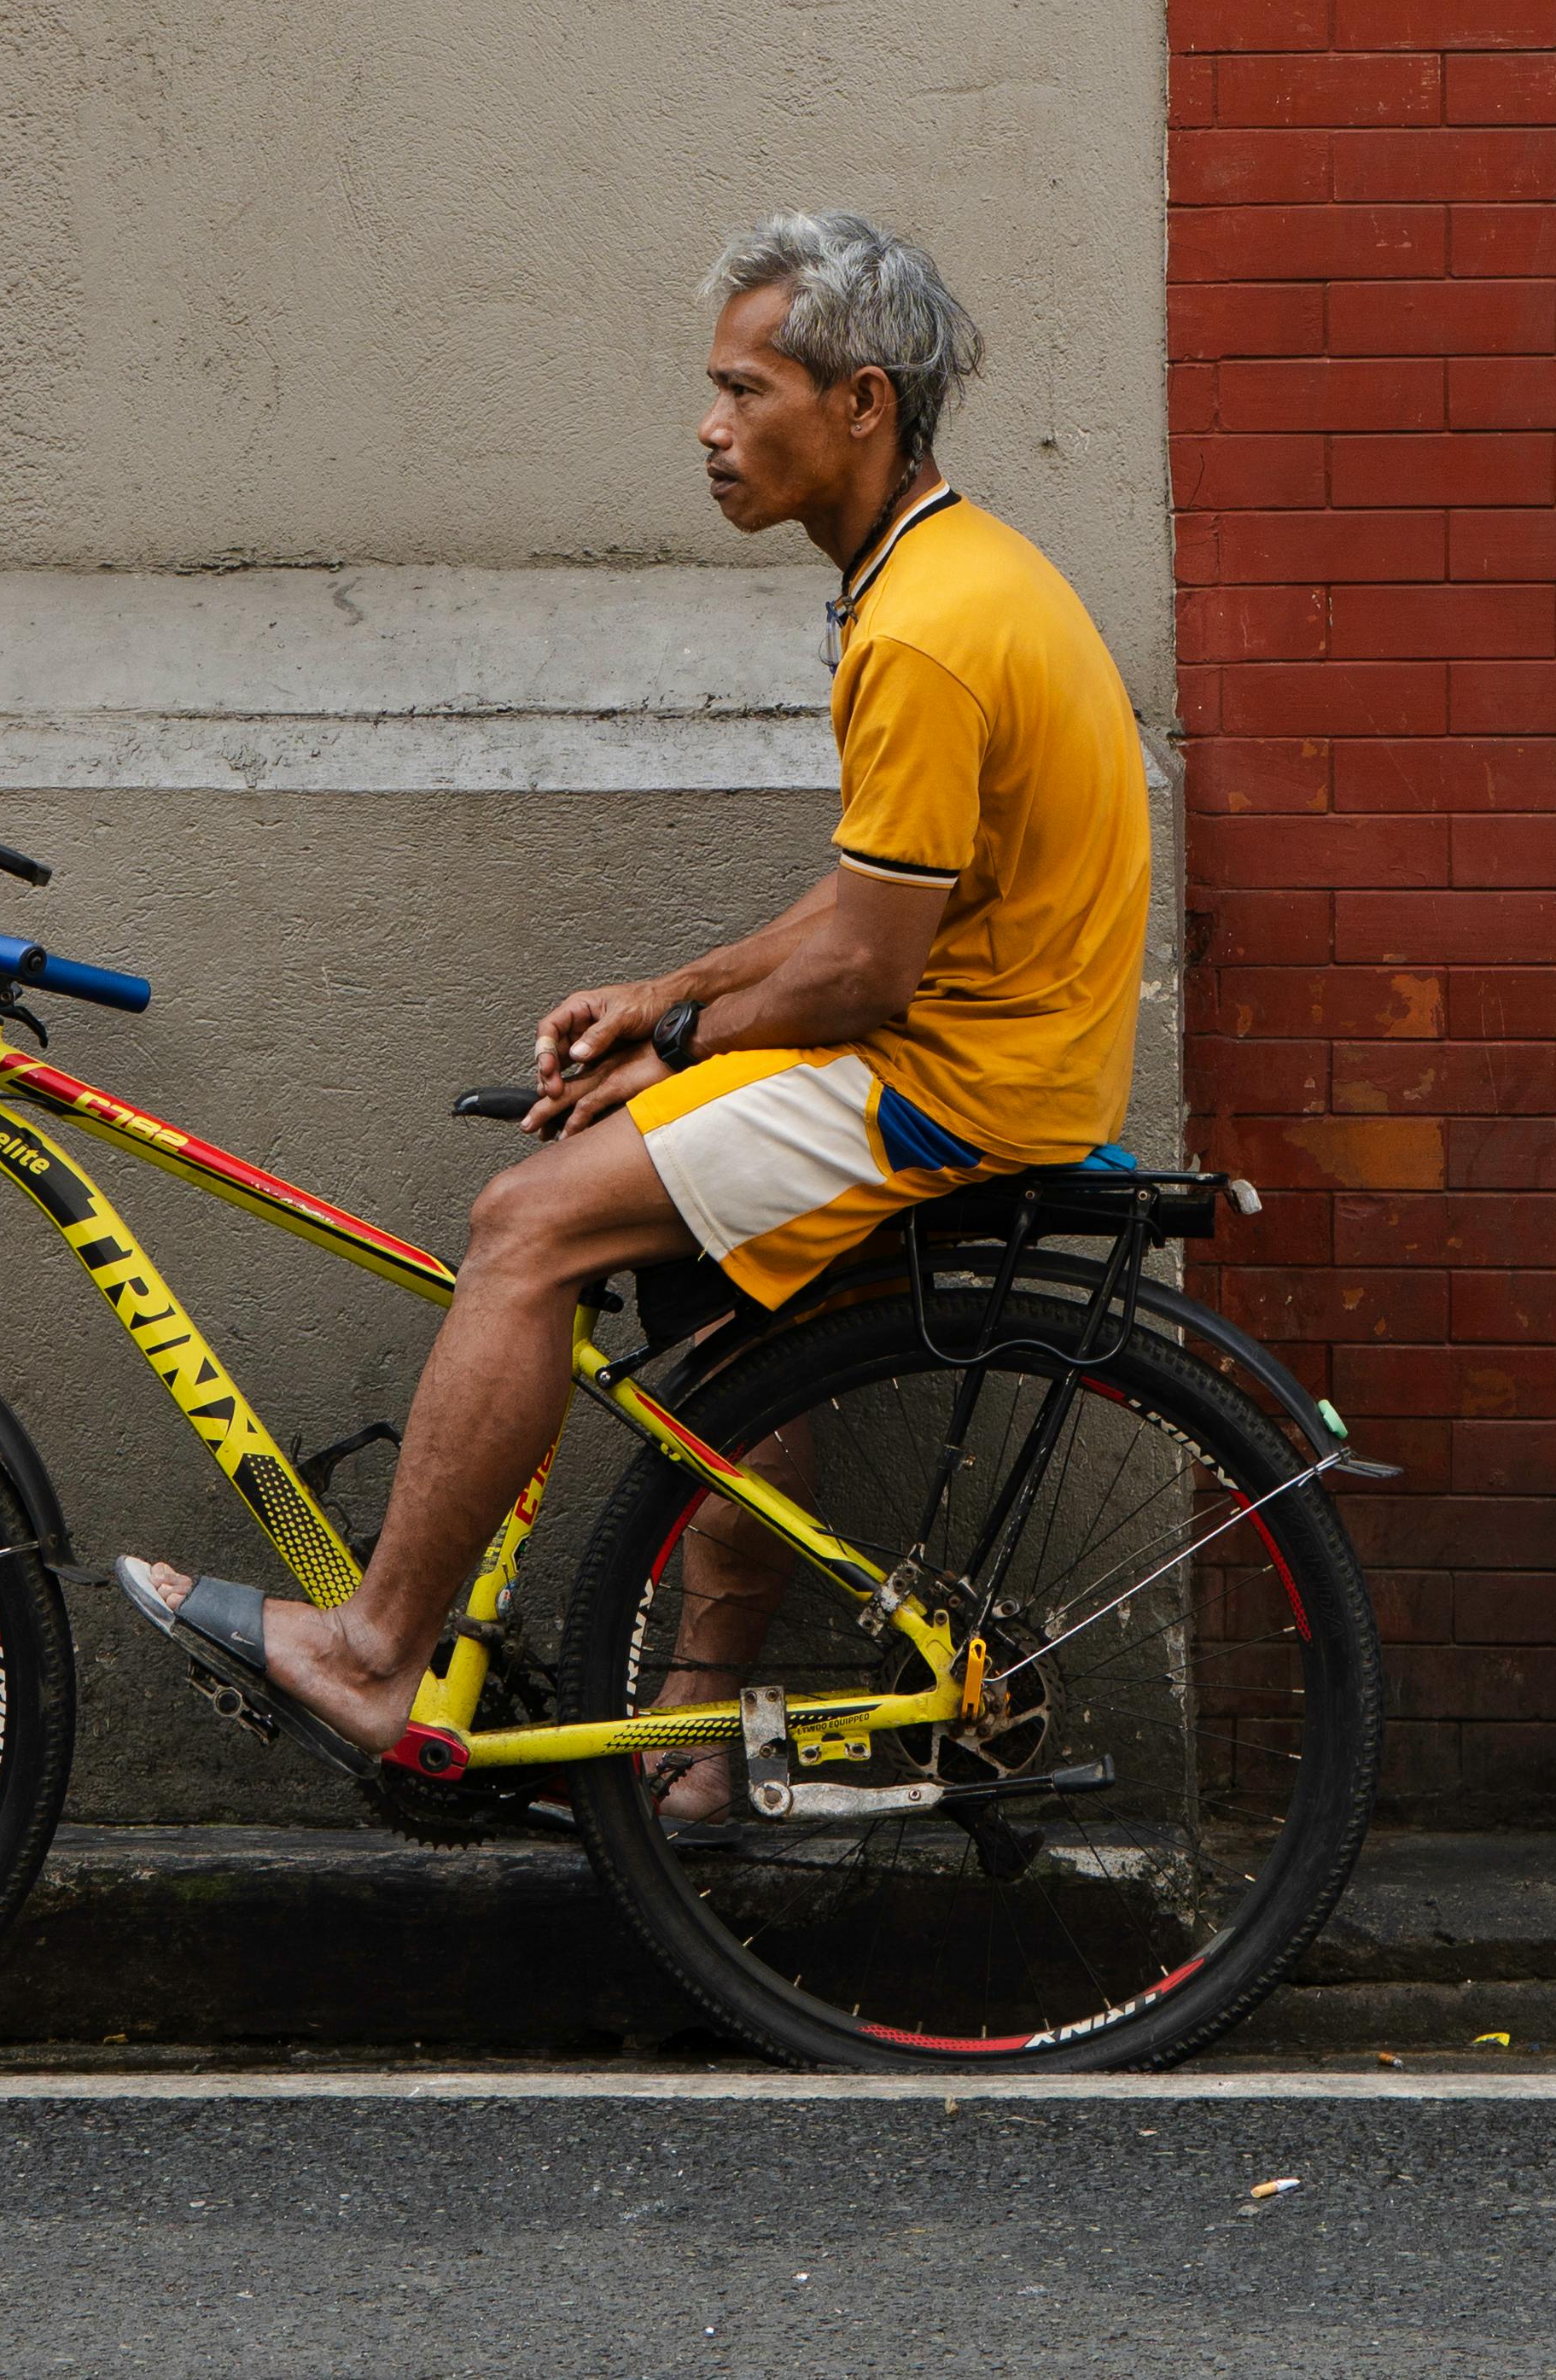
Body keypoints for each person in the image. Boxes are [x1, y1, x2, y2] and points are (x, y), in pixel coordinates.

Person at [119, 207, 1151, 1772]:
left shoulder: (927, 632)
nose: (709, 428)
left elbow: (868, 967)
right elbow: (884, 893)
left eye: (745, 391)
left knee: (526, 1225)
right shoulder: (954, 573)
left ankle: (374, 1653)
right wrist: (678, 995)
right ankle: (701, 1739)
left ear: (861, 404)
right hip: (985, 1054)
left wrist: (682, 1037)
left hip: (954, 1084)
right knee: (724, 1312)